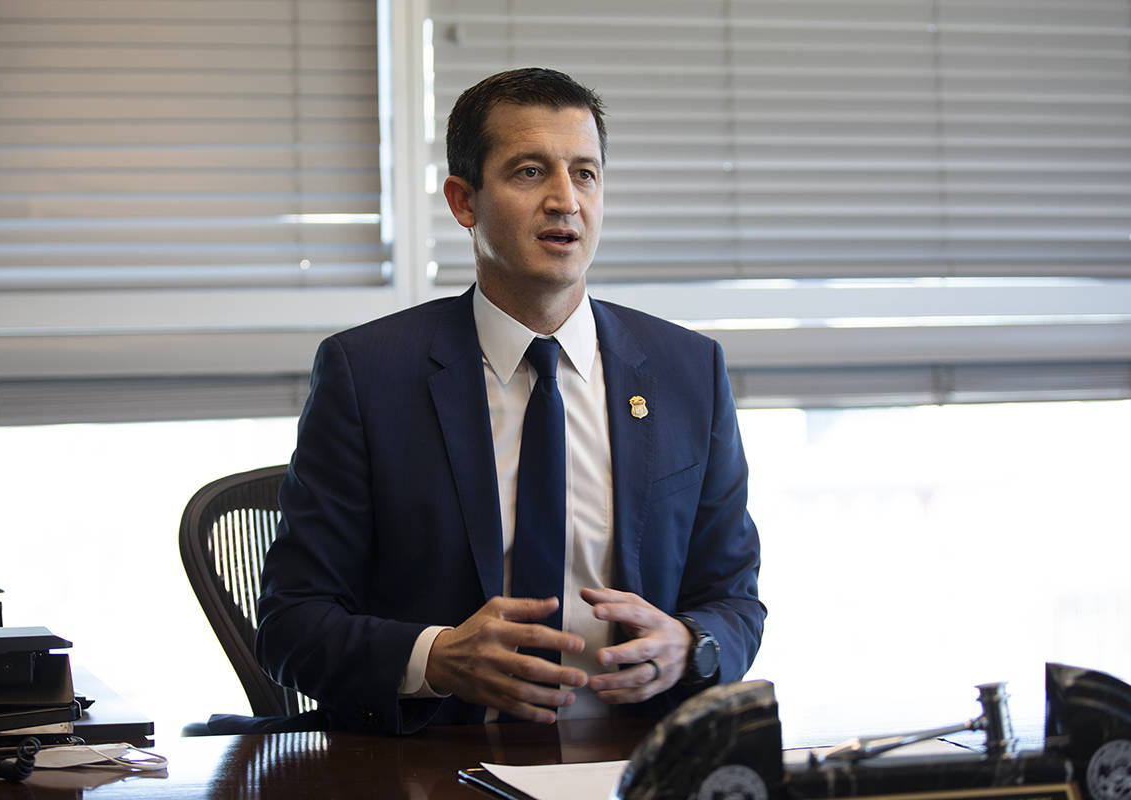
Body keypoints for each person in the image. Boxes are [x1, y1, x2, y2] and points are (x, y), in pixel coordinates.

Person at [255, 67, 765, 734]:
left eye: (585, 173)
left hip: (631, 758)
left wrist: (690, 647)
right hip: (443, 763)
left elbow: (734, 602)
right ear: (464, 201)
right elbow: (292, 625)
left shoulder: (687, 371)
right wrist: (436, 657)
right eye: (530, 172)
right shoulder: (367, 375)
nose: (565, 200)